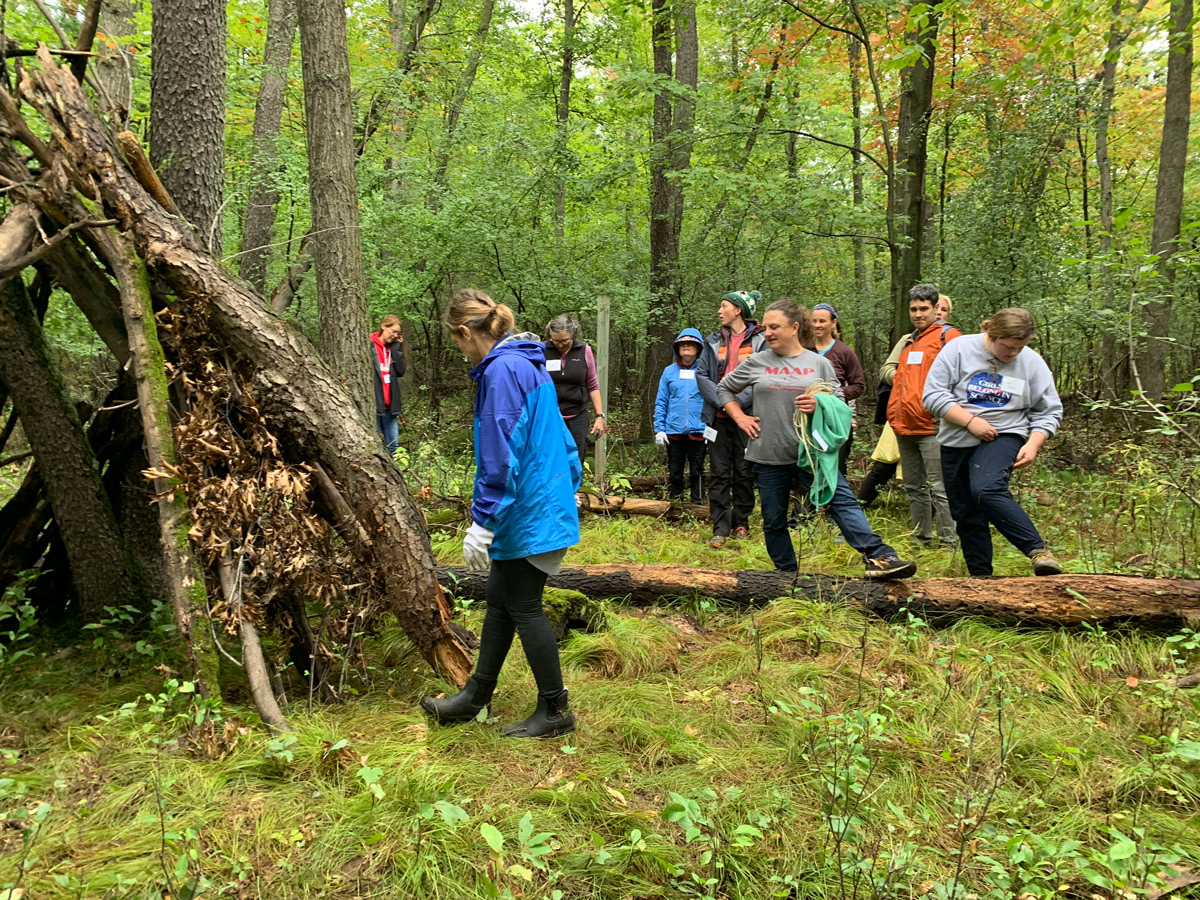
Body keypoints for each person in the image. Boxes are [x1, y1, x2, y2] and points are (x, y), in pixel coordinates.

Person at [421, 290, 582, 738]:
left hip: (527, 508)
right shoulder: (527, 362)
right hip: (538, 501)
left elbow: (502, 455)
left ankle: (555, 710)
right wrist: (568, 486)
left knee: (524, 606)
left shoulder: (503, 371)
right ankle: (476, 695)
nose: (459, 349)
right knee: (500, 599)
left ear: (464, 332)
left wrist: (482, 520)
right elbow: (562, 439)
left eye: (457, 341)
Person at [715, 299, 916, 580]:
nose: (768, 332)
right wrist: (740, 417)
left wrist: (819, 403)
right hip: (769, 454)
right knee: (773, 520)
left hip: (812, 453)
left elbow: (838, 400)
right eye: (766, 327)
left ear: (795, 327)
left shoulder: (818, 364)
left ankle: (880, 556)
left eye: (775, 327)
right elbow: (724, 389)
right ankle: (786, 575)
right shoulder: (758, 361)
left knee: (841, 502)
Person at [923, 308, 1064, 577]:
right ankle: (982, 580)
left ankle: (1038, 552)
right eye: (1008, 347)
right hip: (957, 438)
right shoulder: (958, 349)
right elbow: (932, 394)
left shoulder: (1032, 362)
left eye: (1019, 348)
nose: (1013, 353)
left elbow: (1049, 410)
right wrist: (969, 421)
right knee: (965, 513)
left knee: (986, 488)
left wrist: (1033, 443)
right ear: (991, 333)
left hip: (1005, 434)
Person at [881, 284, 961, 548]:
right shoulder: (909, 340)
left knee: (940, 487)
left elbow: (963, 379)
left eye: (923, 308)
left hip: (933, 426)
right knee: (915, 487)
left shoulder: (948, 338)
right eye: (913, 309)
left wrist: (948, 412)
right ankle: (921, 538)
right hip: (904, 426)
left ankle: (949, 542)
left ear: (935, 309)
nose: (918, 314)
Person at [695, 290, 766, 548]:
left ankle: (741, 523)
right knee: (719, 472)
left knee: (744, 471)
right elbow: (702, 376)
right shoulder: (712, 341)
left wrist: (738, 404)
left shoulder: (761, 341)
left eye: (723, 306)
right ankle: (720, 526)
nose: (719, 311)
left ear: (738, 310)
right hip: (718, 418)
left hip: (749, 418)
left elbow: (763, 377)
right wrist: (724, 401)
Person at [544, 314, 606, 470]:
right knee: (551, 457)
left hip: (578, 415)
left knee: (576, 458)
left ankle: (574, 492)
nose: (560, 345)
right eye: (556, 340)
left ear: (573, 335)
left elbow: (592, 384)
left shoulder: (584, 350)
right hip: (550, 414)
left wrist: (600, 416)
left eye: (564, 340)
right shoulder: (543, 350)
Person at [809, 303, 865, 475]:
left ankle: (836, 501)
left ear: (833, 323)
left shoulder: (844, 352)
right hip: (808, 419)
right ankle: (807, 502)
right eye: (814, 321)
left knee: (835, 468)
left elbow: (858, 385)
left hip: (835, 420)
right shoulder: (804, 349)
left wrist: (833, 395)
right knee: (809, 468)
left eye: (822, 321)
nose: (817, 325)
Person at [654, 329, 707, 503]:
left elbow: (713, 401)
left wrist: (710, 428)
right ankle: (675, 505)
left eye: (691, 343)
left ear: (698, 348)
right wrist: (659, 429)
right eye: (682, 343)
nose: (686, 346)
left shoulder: (705, 372)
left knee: (697, 471)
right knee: (675, 471)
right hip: (674, 431)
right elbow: (662, 401)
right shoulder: (669, 372)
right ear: (677, 347)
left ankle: (697, 506)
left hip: (699, 431)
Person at [370, 315, 406, 454]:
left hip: (390, 408)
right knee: (374, 447)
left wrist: (397, 347)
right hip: (374, 406)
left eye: (398, 333)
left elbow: (401, 371)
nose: (395, 335)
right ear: (384, 326)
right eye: (393, 331)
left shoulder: (391, 349)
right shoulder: (370, 345)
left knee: (393, 448)